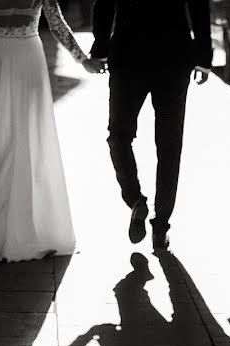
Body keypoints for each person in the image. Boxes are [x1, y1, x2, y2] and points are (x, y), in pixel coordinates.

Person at [0, 0, 104, 262]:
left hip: (8, 54)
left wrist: (83, 59)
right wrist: (82, 59)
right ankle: (9, 229)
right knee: (13, 138)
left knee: (11, 138)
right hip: (16, 55)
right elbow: (56, 24)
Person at [90, 0, 212, 250]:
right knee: (169, 144)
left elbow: (104, 3)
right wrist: (203, 55)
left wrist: (100, 47)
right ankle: (161, 227)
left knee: (119, 135)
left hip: (129, 55)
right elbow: (199, 5)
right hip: (174, 56)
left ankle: (135, 199)